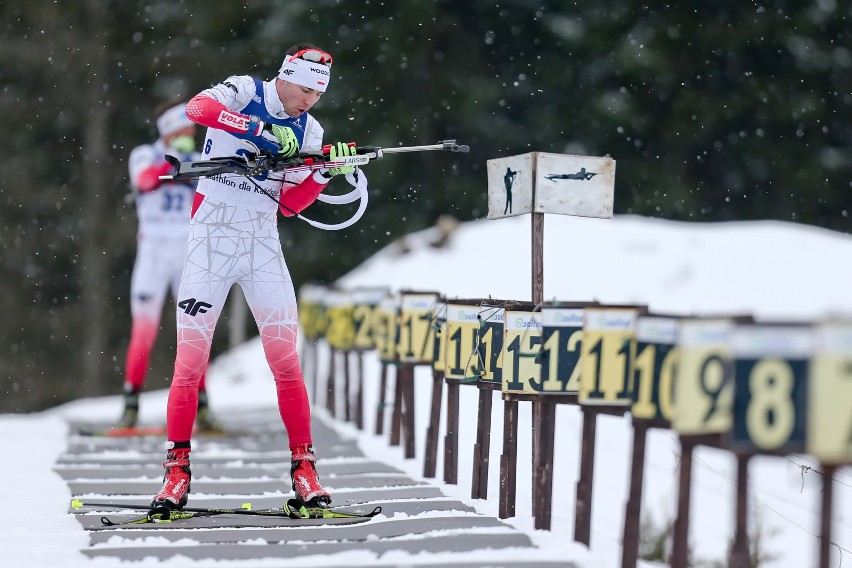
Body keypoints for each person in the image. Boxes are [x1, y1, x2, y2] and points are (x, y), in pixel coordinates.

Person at [151, 43, 355, 511]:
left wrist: (324, 172)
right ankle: (176, 471)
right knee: (189, 365)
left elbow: (291, 204)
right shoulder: (245, 91)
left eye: (317, 94)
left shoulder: (311, 128)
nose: (309, 101)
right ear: (285, 76)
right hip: (209, 243)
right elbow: (198, 108)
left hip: (261, 245)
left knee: (286, 362)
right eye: (304, 89)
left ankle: (304, 468)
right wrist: (258, 129)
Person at [121, 99, 222, 432]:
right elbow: (144, 180)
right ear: (169, 129)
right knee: (143, 333)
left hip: (188, 252)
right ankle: (131, 406)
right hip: (152, 254)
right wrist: (174, 168)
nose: (191, 133)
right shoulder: (145, 153)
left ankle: (203, 406)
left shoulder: (198, 158)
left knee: (194, 331)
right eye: (185, 128)